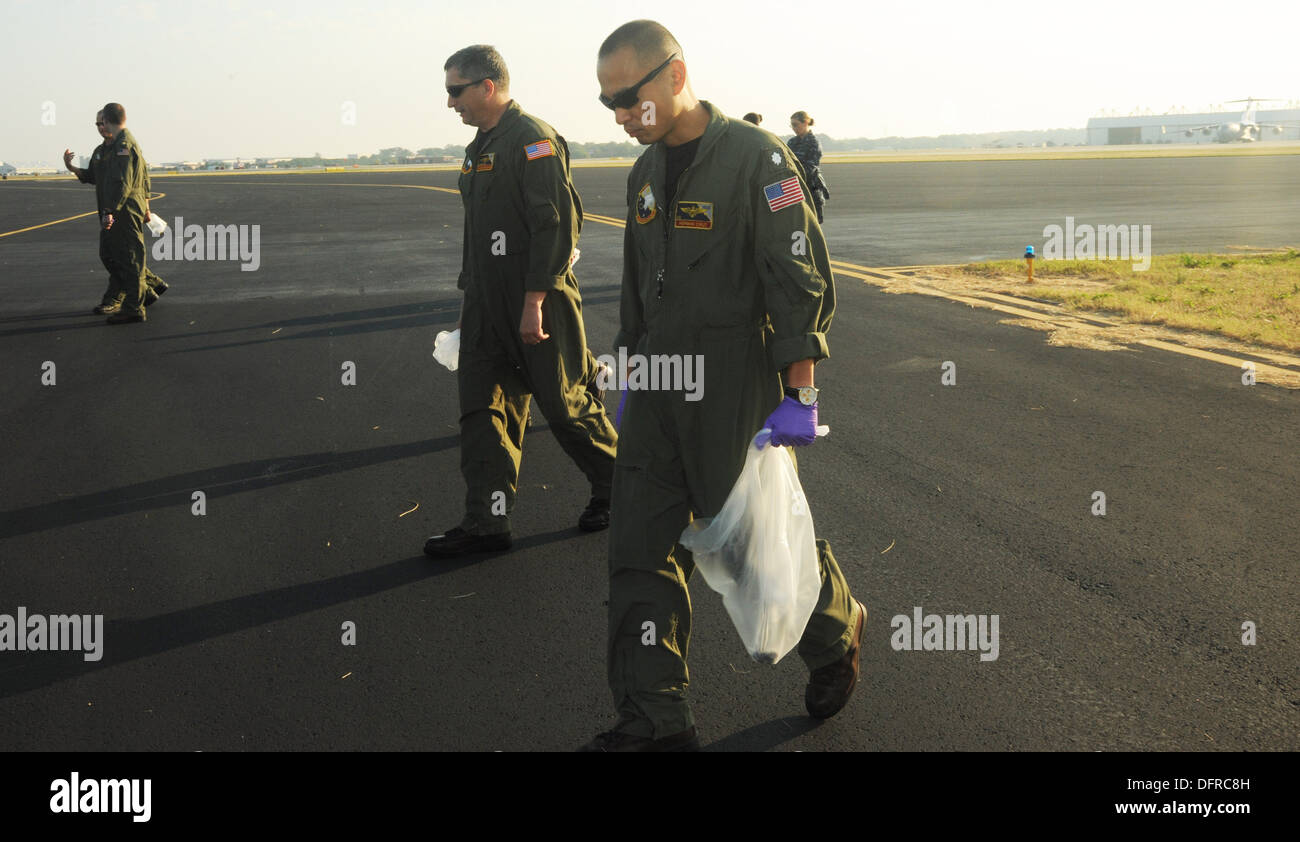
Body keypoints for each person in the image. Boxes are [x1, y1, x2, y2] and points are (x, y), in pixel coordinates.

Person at [583, 20, 865, 752]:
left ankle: (836, 627)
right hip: (656, 390)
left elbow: (797, 275)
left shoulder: (757, 160)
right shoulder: (643, 175)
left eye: (629, 97)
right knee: (638, 551)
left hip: (732, 385)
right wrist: (627, 370)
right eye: (609, 102)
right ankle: (656, 720)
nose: (620, 115)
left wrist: (799, 392)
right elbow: (641, 291)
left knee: (752, 550)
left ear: (674, 77)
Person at [424, 45, 618, 558]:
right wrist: (469, 312)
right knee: (482, 409)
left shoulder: (533, 140)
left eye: (455, 91)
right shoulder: (479, 146)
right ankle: (487, 523)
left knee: (565, 403)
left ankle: (619, 488)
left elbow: (555, 226)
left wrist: (534, 301)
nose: (450, 104)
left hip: (538, 299)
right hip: (485, 304)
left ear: (487, 87)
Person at [64, 109, 168, 315]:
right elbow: (92, 176)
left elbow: (135, 181)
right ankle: (149, 285)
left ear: (109, 122)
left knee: (129, 257)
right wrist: (71, 167)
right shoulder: (101, 151)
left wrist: (145, 208)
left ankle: (133, 301)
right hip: (110, 210)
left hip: (124, 209)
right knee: (109, 255)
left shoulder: (125, 148)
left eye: (102, 123)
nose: (101, 128)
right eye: (97, 125)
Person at [789, 110, 829, 223]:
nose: (793, 128)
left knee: (813, 226)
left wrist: (792, 174)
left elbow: (810, 167)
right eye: (791, 125)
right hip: (795, 190)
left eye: (795, 124)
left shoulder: (813, 142)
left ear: (806, 123)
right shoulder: (792, 142)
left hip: (811, 189)